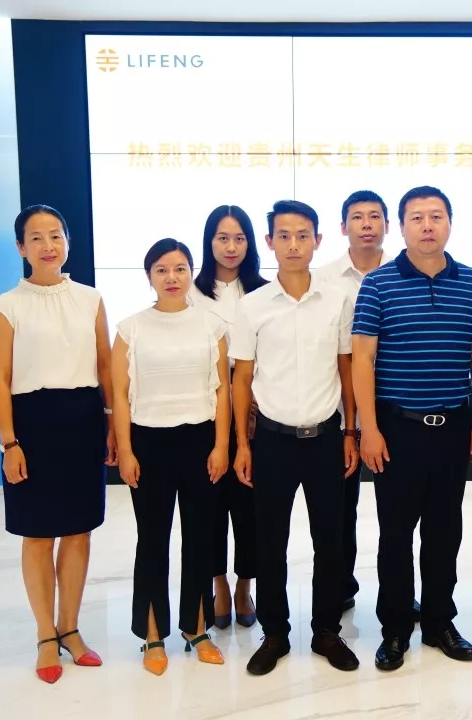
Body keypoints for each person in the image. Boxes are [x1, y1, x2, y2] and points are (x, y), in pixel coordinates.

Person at [352, 185, 472, 672]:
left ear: (450, 223)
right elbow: (363, 359)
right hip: (397, 429)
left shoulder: (471, 282)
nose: (427, 226)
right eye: (417, 217)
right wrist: (368, 429)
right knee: (395, 534)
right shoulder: (379, 284)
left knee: (444, 530)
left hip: (453, 427)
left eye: (436, 216)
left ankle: (438, 622)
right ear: (402, 227)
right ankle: (394, 628)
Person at [230, 199, 360, 676]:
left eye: (302, 235)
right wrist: (243, 445)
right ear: (269, 242)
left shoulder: (338, 300)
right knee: (271, 542)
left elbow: (346, 368)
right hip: (272, 441)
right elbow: (242, 379)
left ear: (317, 241)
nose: (293, 244)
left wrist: (351, 431)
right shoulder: (252, 306)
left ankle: (326, 630)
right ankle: (275, 633)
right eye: (283, 235)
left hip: (326, 438)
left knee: (331, 540)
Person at [0, 205, 114, 684]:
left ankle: (70, 628)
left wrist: (110, 423)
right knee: (39, 535)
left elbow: (105, 365)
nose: (48, 245)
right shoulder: (6, 306)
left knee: (79, 531)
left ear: (67, 242)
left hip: (83, 419)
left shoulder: (90, 299)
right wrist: (9, 443)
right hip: (31, 426)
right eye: (36, 237)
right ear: (21, 248)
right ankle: (46, 634)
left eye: (55, 235)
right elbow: (0, 379)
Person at [111, 238, 231, 676]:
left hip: (201, 442)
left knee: (200, 538)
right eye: (161, 270)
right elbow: (119, 396)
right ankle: (153, 635)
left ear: (191, 273)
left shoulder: (212, 326)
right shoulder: (130, 329)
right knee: (152, 540)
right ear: (149, 277)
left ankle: (196, 630)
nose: (172, 277)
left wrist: (221, 446)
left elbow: (223, 391)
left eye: (180, 268)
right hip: (148, 443)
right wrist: (126, 450)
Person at [314, 190, 406, 616]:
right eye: (357, 217)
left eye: (374, 216)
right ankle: (340, 586)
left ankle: (401, 592)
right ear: (342, 226)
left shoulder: (407, 271)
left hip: (398, 406)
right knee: (340, 508)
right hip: (339, 410)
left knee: (399, 512)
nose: (366, 224)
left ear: (387, 225)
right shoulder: (323, 279)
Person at [189, 204, 268, 630]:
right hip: (204, 411)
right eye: (222, 238)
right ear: (209, 242)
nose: (231, 247)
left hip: (255, 412)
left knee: (251, 504)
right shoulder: (190, 292)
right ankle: (218, 583)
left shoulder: (264, 291)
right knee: (210, 504)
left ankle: (244, 585)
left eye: (240, 238)